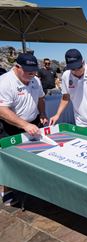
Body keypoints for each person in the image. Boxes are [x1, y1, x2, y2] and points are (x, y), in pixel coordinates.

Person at [0, 53, 47, 206]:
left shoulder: (35, 80)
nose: (32, 74)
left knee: (33, 156)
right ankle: (6, 190)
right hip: (10, 125)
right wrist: (24, 125)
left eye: (34, 71)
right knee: (9, 160)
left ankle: (31, 185)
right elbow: (2, 110)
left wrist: (42, 113)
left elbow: (40, 98)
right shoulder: (5, 82)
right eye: (28, 71)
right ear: (17, 67)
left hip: (33, 123)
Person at [49, 49, 87, 131]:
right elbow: (65, 98)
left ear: (83, 61)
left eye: (79, 67)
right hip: (80, 123)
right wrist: (57, 115)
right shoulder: (66, 76)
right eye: (73, 69)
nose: (77, 71)